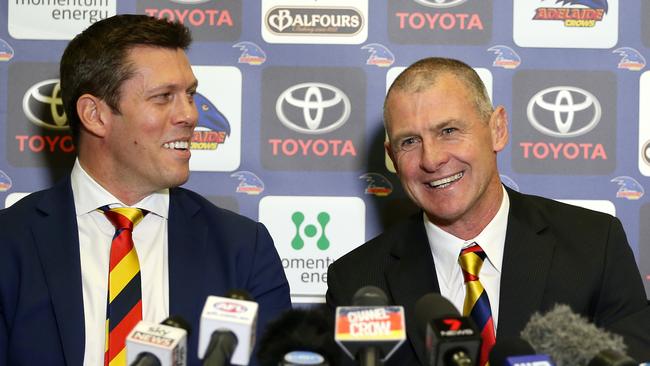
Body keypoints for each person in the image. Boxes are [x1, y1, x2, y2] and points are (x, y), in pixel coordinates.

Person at [0, 14, 291, 366]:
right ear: (94, 114)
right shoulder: (9, 242)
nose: (190, 115)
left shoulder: (244, 249)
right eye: (163, 97)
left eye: (190, 94)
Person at [326, 57, 650, 365]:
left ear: (497, 129)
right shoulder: (357, 282)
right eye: (409, 141)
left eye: (448, 131)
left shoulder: (594, 245)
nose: (431, 159)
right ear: (391, 157)